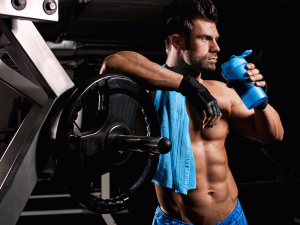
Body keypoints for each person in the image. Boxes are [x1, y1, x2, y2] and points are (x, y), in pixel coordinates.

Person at [99, 0, 284, 224]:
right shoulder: (149, 92)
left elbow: (273, 136)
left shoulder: (222, 92)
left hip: (232, 217)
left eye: (216, 39)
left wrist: (258, 98)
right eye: (205, 38)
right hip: (178, 220)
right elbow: (113, 63)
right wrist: (189, 86)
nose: (216, 47)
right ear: (178, 41)